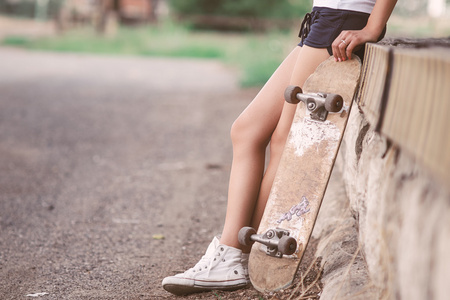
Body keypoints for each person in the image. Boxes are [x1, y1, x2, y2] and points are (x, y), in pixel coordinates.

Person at [162, 0, 397, 295]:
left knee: (285, 138)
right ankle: (231, 253)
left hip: (343, 20)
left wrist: (373, 26)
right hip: (325, 19)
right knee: (246, 130)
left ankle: (232, 252)